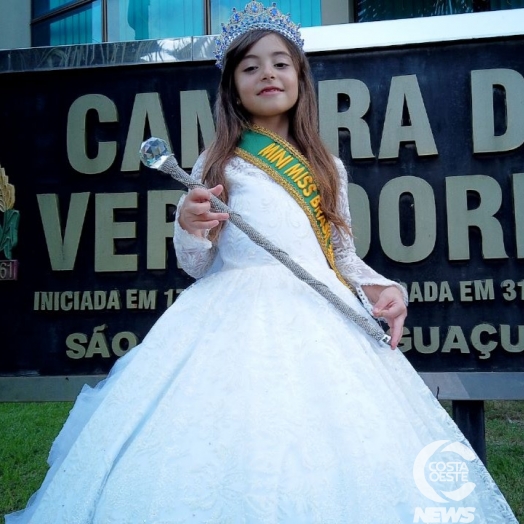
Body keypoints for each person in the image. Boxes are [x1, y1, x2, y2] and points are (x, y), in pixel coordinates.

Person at [6, 2, 518, 523]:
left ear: (300, 76)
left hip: (321, 317)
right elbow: (196, 264)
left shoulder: (328, 166)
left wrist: (381, 288)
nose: (267, 73)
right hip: (230, 314)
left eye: (280, 63)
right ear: (231, 86)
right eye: (250, 66)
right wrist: (188, 223)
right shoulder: (218, 159)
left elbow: (339, 254)